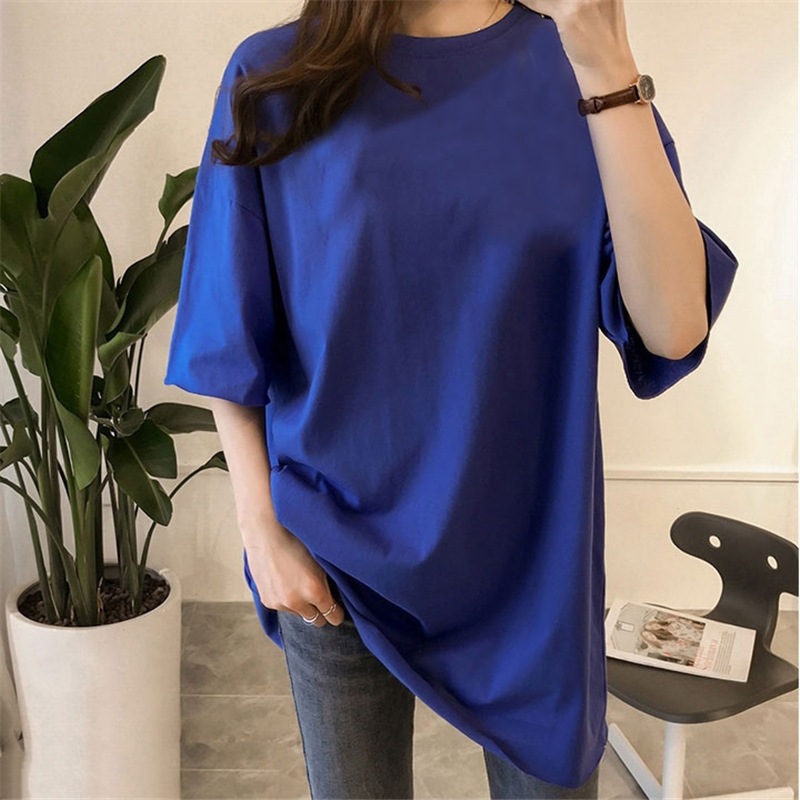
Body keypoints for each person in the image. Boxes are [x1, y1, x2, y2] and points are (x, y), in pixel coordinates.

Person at [164, 0, 739, 797]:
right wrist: (261, 530)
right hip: (334, 551)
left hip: (533, 574)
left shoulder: (575, 73)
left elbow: (673, 326)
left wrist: (608, 66)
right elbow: (230, 322)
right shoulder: (278, 74)